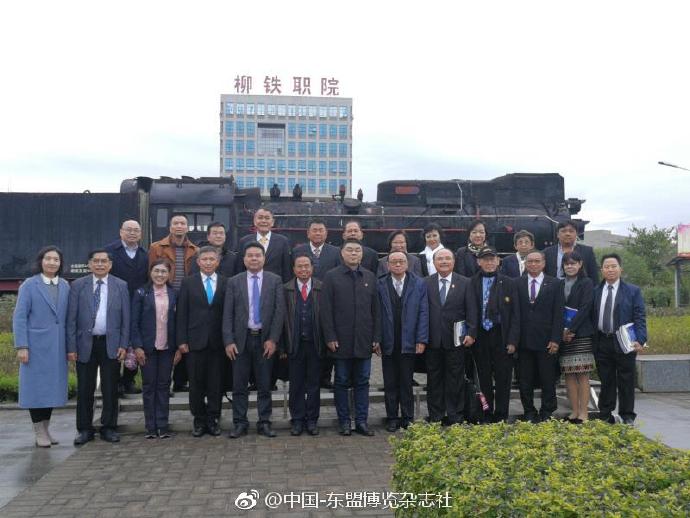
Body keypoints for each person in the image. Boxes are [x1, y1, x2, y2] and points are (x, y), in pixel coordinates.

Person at [67, 249, 130, 445]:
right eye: (96, 261)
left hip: (111, 344)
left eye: (104, 261)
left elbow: (126, 319)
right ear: (89, 264)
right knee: (85, 388)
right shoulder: (78, 285)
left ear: (110, 265)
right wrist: (71, 347)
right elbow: (71, 319)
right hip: (85, 344)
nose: (100, 264)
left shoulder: (121, 285)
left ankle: (108, 427)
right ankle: (85, 429)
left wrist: (124, 344)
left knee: (110, 388)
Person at [223, 242, 285, 438]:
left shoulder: (275, 280)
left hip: (264, 341)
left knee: (264, 385)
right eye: (250, 255)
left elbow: (279, 313)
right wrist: (228, 341)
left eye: (257, 255)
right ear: (244, 259)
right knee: (239, 385)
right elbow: (227, 314)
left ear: (264, 258)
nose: (254, 259)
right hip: (240, 341)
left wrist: (273, 339)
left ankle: (264, 422)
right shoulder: (234, 281)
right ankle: (240, 423)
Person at [321, 239, 381, 436]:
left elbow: (376, 310)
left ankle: (362, 421)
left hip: (364, 340)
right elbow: (325, 310)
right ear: (342, 253)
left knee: (363, 381)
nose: (354, 253)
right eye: (350, 250)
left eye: (357, 250)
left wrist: (376, 337)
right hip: (341, 341)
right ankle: (344, 421)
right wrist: (329, 336)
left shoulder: (370, 276)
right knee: (341, 381)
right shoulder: (331, 276)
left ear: (362, 254)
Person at [13, 246, 71, 448]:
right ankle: (39, 431)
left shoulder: (65, 285)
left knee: (51, 389)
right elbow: (20, 317)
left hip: (57, 347)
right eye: (48, 258)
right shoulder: (29, 285)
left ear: (60, 263)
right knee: (36, 388)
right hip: (35, 346)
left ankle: (46, 428)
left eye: (56, 259)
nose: (52, 262)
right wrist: (22, 346)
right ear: (41, 261)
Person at [176, 247, 227, 437]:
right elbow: (182, 313)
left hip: (218, 342)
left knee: (216, 384)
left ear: (218, 262)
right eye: (204, 259)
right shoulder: (188, 283)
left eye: (211, 259)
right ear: (198, 262)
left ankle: (213, 419)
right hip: (194, 342)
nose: (208, 262)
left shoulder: (226, 282)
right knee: (196, 384)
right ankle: (198, 420)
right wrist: (181, 340)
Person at [592, 253, 647, 425]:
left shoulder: (632, 291)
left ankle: (627, 414)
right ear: (602, 270)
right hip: (602, 340)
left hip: (625, 341)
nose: (610, 269)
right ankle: (605, 414)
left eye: (613, 266)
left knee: (626, 379)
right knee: (606, 379)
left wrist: (640, 339)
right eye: (606, 267)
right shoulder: (595, 291)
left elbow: (639, 316)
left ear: (620, 269)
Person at [425, 248, 478, 424]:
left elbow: (472, 309)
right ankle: (436, 415)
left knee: (455, 379)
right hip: (432, 340)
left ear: (454, 262)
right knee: (434, 379)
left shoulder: (465, 282)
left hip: (457, 340)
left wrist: (471, 332)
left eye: (448, 258)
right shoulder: (425, 282)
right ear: (434, 262)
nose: (444, 261)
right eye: (440, 259)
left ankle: (455, 415)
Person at [378, 252, 428, 432]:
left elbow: (423, 312)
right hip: (388, 340)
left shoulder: (419, 283)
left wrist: (421, 339)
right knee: (390, 382)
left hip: (409, 340)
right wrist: (376, 340)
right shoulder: (380, 284)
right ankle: (392, 417)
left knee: (406, 381)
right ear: (388, 265)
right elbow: (376, 314)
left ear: (407, 264)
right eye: (394, 262)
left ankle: (407, 417)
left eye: (401, 261)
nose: (398, 264)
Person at [149, 213, 198, 392]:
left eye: (182, 223)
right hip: (164, 296)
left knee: (183, 337)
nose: (179, 226)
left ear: (187, 228)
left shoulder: (195, 250)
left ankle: (180, 380)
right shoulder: (156, 247)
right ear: (170, 227)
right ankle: (165, 383)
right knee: (166, 337)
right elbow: (151, 272)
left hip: (186, 298)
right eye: (175, 223)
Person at [470, 247, 520, 423]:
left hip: (501, 335)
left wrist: (513, 340)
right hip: (480, 336)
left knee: (503, 377)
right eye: (485, 259)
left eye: (492, 259)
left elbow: (516, 314)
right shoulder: (471, 282)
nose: (489, 262)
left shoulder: (509, 283)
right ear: (479, 262)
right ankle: (485, 413)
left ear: (498, 261)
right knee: (483, 377)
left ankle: (501, 414)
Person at [130, 260, 177, 438]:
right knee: (149, 386)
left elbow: (178, 321)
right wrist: (137, 346)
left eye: (164, 271)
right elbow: (134, 322)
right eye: (156, 271)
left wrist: (178, 348)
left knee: (164, 386)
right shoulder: (141, 292)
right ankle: (150, 426)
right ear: (150, 272)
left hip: (167, 348)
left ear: (169, 274)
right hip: (147, 348)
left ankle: (162, 425)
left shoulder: (174, 293)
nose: (160, 275)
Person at [517, 250, 564, 423]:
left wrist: (555, 339)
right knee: (525, 380)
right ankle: (529, 411)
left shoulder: (555, 283)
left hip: (547, 340)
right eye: (530, 261)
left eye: (537, 261)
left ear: (543, 263)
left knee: (548, 378)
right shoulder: (517, 283)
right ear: (525, 264)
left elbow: (558, 313)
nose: (533, 264)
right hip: (523, 341)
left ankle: (547, 411)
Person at [281, 254, 325, 436]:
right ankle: (297, 420)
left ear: (312, 268)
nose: (303, 269)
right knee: (296, 384)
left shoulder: (322, 287)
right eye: (299, 266)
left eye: (307, 266)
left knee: (314, 384)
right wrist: (282, 347)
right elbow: (281, 320)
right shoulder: (285, 289)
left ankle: (312, 420)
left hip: (316, 344)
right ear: (294, 269)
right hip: (294, 345)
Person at [105, 219, 148, 396]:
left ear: (140, 234)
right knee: (116, 341)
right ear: (121, 232)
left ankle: (128, 380)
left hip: (137, 303)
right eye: (128, 230)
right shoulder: (109, 251)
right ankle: (114, 383)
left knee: (135, 341)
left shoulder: (145, 254)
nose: (132, 233)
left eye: (136, 230)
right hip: (114, 303)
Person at [559, 251, 596, 424]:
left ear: (580, 264)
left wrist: (571, 329)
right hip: (563, 335)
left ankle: (584, 413)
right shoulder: (559, 283)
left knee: (582, 375)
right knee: (569, 375)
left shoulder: (586, 282)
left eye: (573, 263)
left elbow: (586, 307)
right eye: (567, 264)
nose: (570, 266)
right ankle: (574, 411)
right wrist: (562, 331)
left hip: (581, 334)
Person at [238, 207, 292, 282]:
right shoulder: (244, 241)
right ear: (254, 221)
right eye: (260, 218)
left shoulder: (283, 241)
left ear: (272, 222)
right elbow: (239, 268)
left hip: (274, 285)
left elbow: (287, 269)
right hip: (250, 285)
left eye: (267, 218)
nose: (263, 221)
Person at [544, 220, 599, 285]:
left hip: (580, 290)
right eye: (563, 231)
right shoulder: (547, 252)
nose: (567, 234)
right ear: (557, 234)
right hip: (554, 289)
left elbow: (594, 276)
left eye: (571, 231)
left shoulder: (587, 251)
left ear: (576, 234)